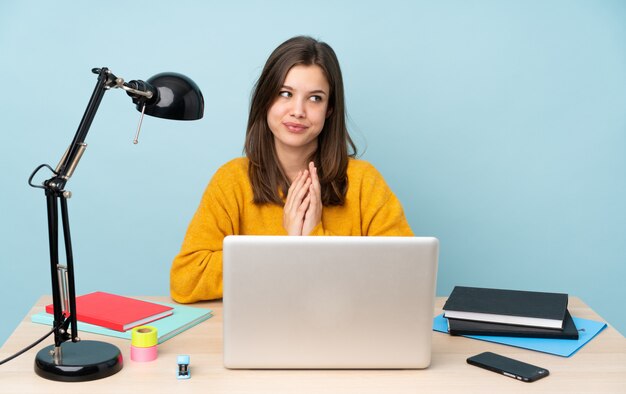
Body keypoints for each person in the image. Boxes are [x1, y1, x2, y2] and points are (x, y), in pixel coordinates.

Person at [170, 36, 413, 303]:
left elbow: (405, 276)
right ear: (265, 99)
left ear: (330, 109)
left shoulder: (365, 182)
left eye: (315, 98)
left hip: (342, 333)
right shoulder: (231, 180)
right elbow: (186, 280)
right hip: (260, 332)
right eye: (285, 93)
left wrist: (314, 237)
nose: (298, 111)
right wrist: (285, 246)